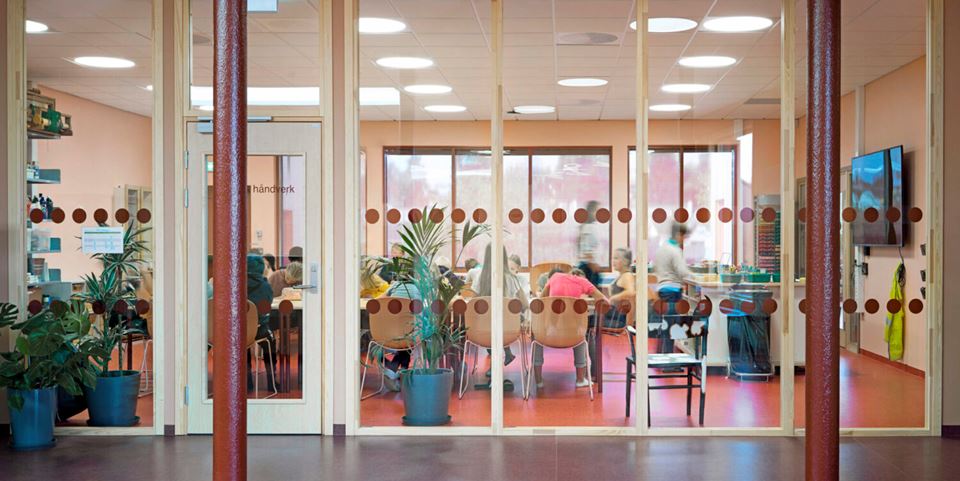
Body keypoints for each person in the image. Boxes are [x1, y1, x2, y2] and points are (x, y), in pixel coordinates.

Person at [535, 269, 608, 388]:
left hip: (548, 335)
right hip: (573, 336)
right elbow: (603, 301)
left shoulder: (555, 277)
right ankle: (580, 380)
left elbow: (541, 301)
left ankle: (538, 381)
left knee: (536, 337)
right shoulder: (583, 281)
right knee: (581, 336)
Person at [474, 245, 528, 390]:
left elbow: (473, 305)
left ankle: (495, 372)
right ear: (504, 257)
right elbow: (524, 304)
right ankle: (497, 371)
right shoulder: (511, 279)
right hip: (508, 330)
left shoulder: (480, 278)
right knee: (498, 329)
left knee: (491, 331)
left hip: (483, 331)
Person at [652, 222, 692, 354]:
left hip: (662, 289)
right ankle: (669, 361)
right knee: (671, 326)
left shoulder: (662, 248)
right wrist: (695, 276)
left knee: (665, 324)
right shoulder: (675, 251)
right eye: (683, 236)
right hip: (673, 290)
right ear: (678, 235)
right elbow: (682, 271)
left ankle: (660, 355)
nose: (683, 240)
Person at [246, 253, 277, 391]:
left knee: (243, 345)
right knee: (270, 341)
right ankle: (272, 382)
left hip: (239, 331)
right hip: (260, 330)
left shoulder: (235, 285)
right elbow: (266, 307)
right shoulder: (265, 286)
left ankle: (247, 382)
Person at [602, 248, 636, 329]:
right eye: (613, 258)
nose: (613, 261)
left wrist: (614, 298)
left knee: (589, 320)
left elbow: (631, 292)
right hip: (613, 315)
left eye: (616, 258)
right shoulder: (620, 276)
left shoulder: (627, 276)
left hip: (618, 319)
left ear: (625, 261)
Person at [576, 200, 604, 287]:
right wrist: (593, 265)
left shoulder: (591, 226)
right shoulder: (589, 228)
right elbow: (586, 249)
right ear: (591, 211)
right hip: (589, 268)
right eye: (597, 210)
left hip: (590, 266)